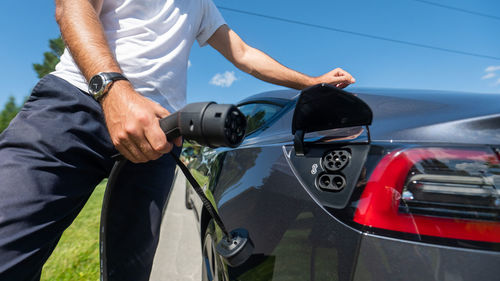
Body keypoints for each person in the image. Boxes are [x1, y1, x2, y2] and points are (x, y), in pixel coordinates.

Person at [0, 0, 355, 280]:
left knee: (131, 269)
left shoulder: (201, 4)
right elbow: (73, 6)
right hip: (77, 101)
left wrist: (311, 82)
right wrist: (113, 90)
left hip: (162, 132)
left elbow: (244, 55)